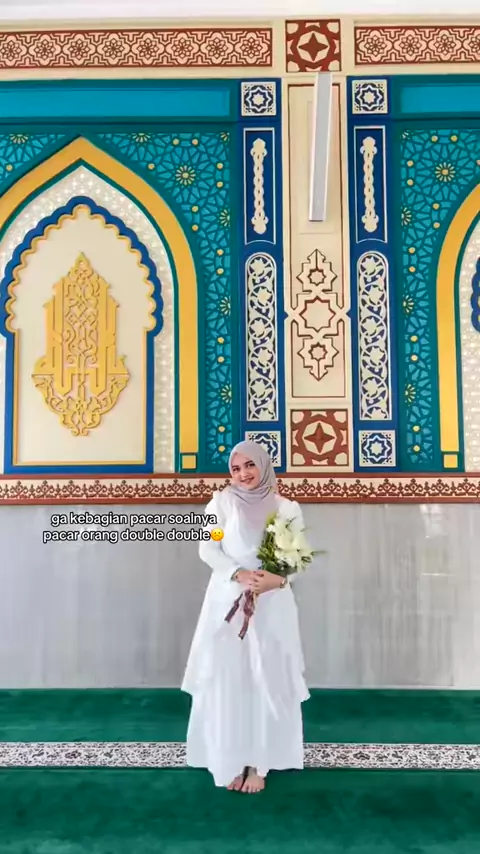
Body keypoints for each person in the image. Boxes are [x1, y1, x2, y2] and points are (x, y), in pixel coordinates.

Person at [181, 440, 310, 794]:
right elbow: (208, 547)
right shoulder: (220, 505)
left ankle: (259, 763)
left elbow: (299, 559)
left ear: (264, 466)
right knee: (229, 677)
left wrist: (276, 580)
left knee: (266, 677)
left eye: (250, 465)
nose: (243, 474)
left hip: (272, 604)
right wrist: (237, 573)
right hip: (227, 602)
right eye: (236, 469)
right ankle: (229, 756)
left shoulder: (287, 508)